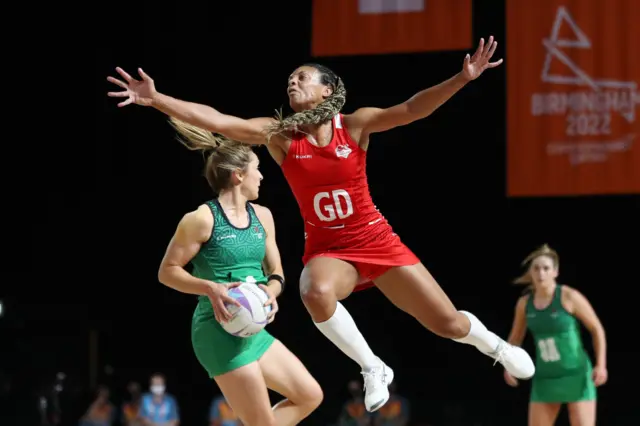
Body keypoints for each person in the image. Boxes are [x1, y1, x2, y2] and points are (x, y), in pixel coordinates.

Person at [108, 35, 534, 412]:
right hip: (331, 251)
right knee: (313, 290)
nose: (292, 82)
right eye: (290, 79)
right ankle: (372, 366)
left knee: (449, 325)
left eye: (303, 77)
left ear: (328, 90)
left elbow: (410, 110)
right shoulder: (280, 137)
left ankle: (497, 346)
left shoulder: (354, 124)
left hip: (377, 240)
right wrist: (157, 99)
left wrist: (462, 78)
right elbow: (220, 122)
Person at [156, 122, 323, 426]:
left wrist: (271, 291)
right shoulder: (201, 219)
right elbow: (167, 272)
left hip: (252, 329)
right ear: (239, 175)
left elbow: (277, 272)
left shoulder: (263, 216)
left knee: (310, 395)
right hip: (217, 331)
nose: (261, 176)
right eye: (257, 169)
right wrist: (210, 288)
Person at [504, 244, 607, 426]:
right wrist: (508, 364)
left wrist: (601, 365)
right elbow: (515, 338)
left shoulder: (569, 296)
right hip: (545, 377)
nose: (541, 273)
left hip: (576, 374)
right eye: (536, 268)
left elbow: (596, 328)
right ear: (531, 272)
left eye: (546, 268)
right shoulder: (524, 304)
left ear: (555, 272)